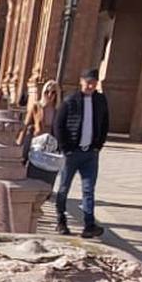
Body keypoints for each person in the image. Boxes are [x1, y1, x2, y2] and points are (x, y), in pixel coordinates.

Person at [51, 67, 110, 238]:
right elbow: (58, 125)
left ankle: (89, 224)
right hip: (72, 153)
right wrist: (66, 148)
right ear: (81, 82)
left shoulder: (100, 101)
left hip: (90, 153)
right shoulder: (70, 101)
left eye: (94, 83)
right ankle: (61, 219)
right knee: (64, 187)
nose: (90, 86)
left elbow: (105, 123)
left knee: (88, 189)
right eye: (88, 82)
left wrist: (99, 145)